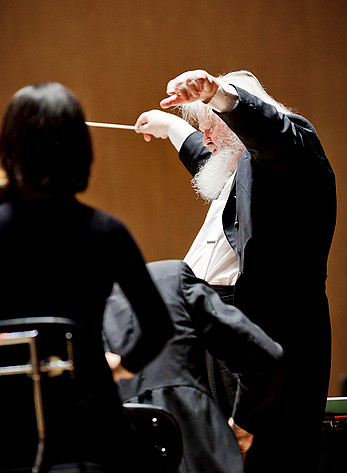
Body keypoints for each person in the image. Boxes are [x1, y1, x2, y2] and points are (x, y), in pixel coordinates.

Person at [134, 69, 337, 473]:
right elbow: (203, 154)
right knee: (221, 454)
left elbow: (270, 134)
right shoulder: (235, 166)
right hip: (219, 326)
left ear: (238, 117)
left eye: (212, 123)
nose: (206, 137)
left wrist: (218, 93)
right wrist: (171, 126)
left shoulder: (291, 153)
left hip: (265, 330)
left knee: (263, 456)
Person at [0, 82, 173, 472]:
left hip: (7, 432)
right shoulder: (106, 232)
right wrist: (118, 365)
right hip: (93, 430)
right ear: (79, 150)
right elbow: (158, 326)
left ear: (10, 148)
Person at [104, 259, 284, 473]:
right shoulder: (170, 278)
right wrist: (242, 427)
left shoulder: (61, 322)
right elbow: (264, 355)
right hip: (200, 454)